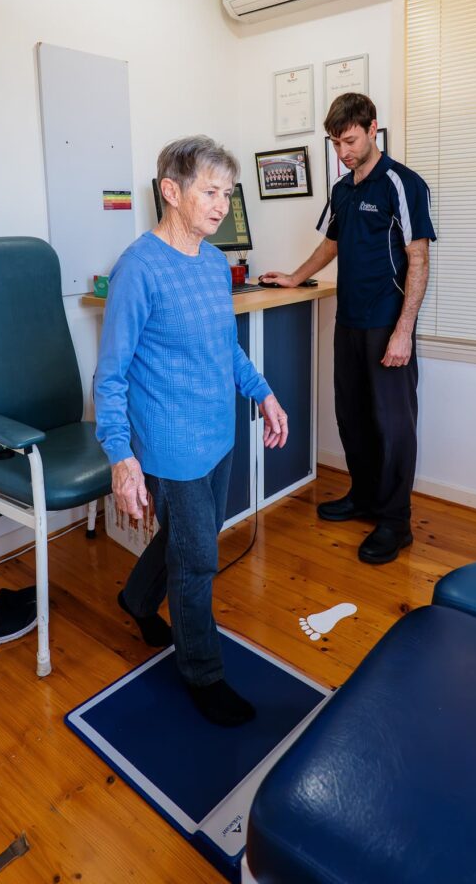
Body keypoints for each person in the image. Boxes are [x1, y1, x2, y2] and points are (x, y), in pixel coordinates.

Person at [94, 136, 288, 727]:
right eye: (210, 191)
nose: (222, 205)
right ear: (171, 191)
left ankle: (136, 598)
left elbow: (225, 347)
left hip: (218, 433)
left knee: (186, 537)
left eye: (227, 193)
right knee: (199, 558)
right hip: (171, 444)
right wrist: (121, 458)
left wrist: (263, 393)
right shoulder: (138, 269)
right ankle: (202, 672)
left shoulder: (212, 263)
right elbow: (110, 375)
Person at [261, 93, 435, 565]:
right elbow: (331, 244)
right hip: (349, 321)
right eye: (336, 143)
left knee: (393, 423)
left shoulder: (403, 183)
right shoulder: (343, 189)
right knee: (352, 415)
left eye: (351, 141)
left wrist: (404, 330)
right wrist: (295, 277)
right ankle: (364, 496)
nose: (343, 152)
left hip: (387, 324)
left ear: (372, 128)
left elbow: (419, 257)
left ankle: (396, 521)